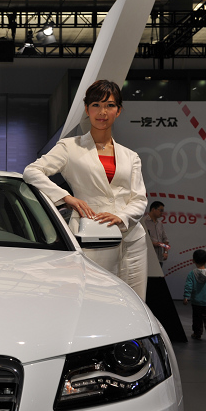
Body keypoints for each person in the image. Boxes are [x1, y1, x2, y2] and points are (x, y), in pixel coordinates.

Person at [23, 79, 149, 300]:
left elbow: (139, 199)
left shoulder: (130, 156)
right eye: (96, 105)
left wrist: (121, 217)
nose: (103, 112)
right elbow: (32, 172)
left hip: (132, 239)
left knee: (135, 302)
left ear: (118, 110)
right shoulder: (70, 147)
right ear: (87, 109)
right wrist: (67, 198)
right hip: (92, 234)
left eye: (110, 105)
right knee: (94, 298)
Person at [183, 249, 206, 342]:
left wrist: (186, 297)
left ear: (193, 260)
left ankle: (197, 333)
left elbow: (188, 286)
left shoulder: (192, 274)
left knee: (197, 318)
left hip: (196, 301)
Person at [143, 201, 169, 267]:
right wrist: (152, 244)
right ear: (153, 209)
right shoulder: (144, 222)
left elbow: (165, 240)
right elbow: (140, 241)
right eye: (161, 210)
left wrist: (165, 252)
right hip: (147, 258)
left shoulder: (160, 224)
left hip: (159, 258)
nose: (162, 213)